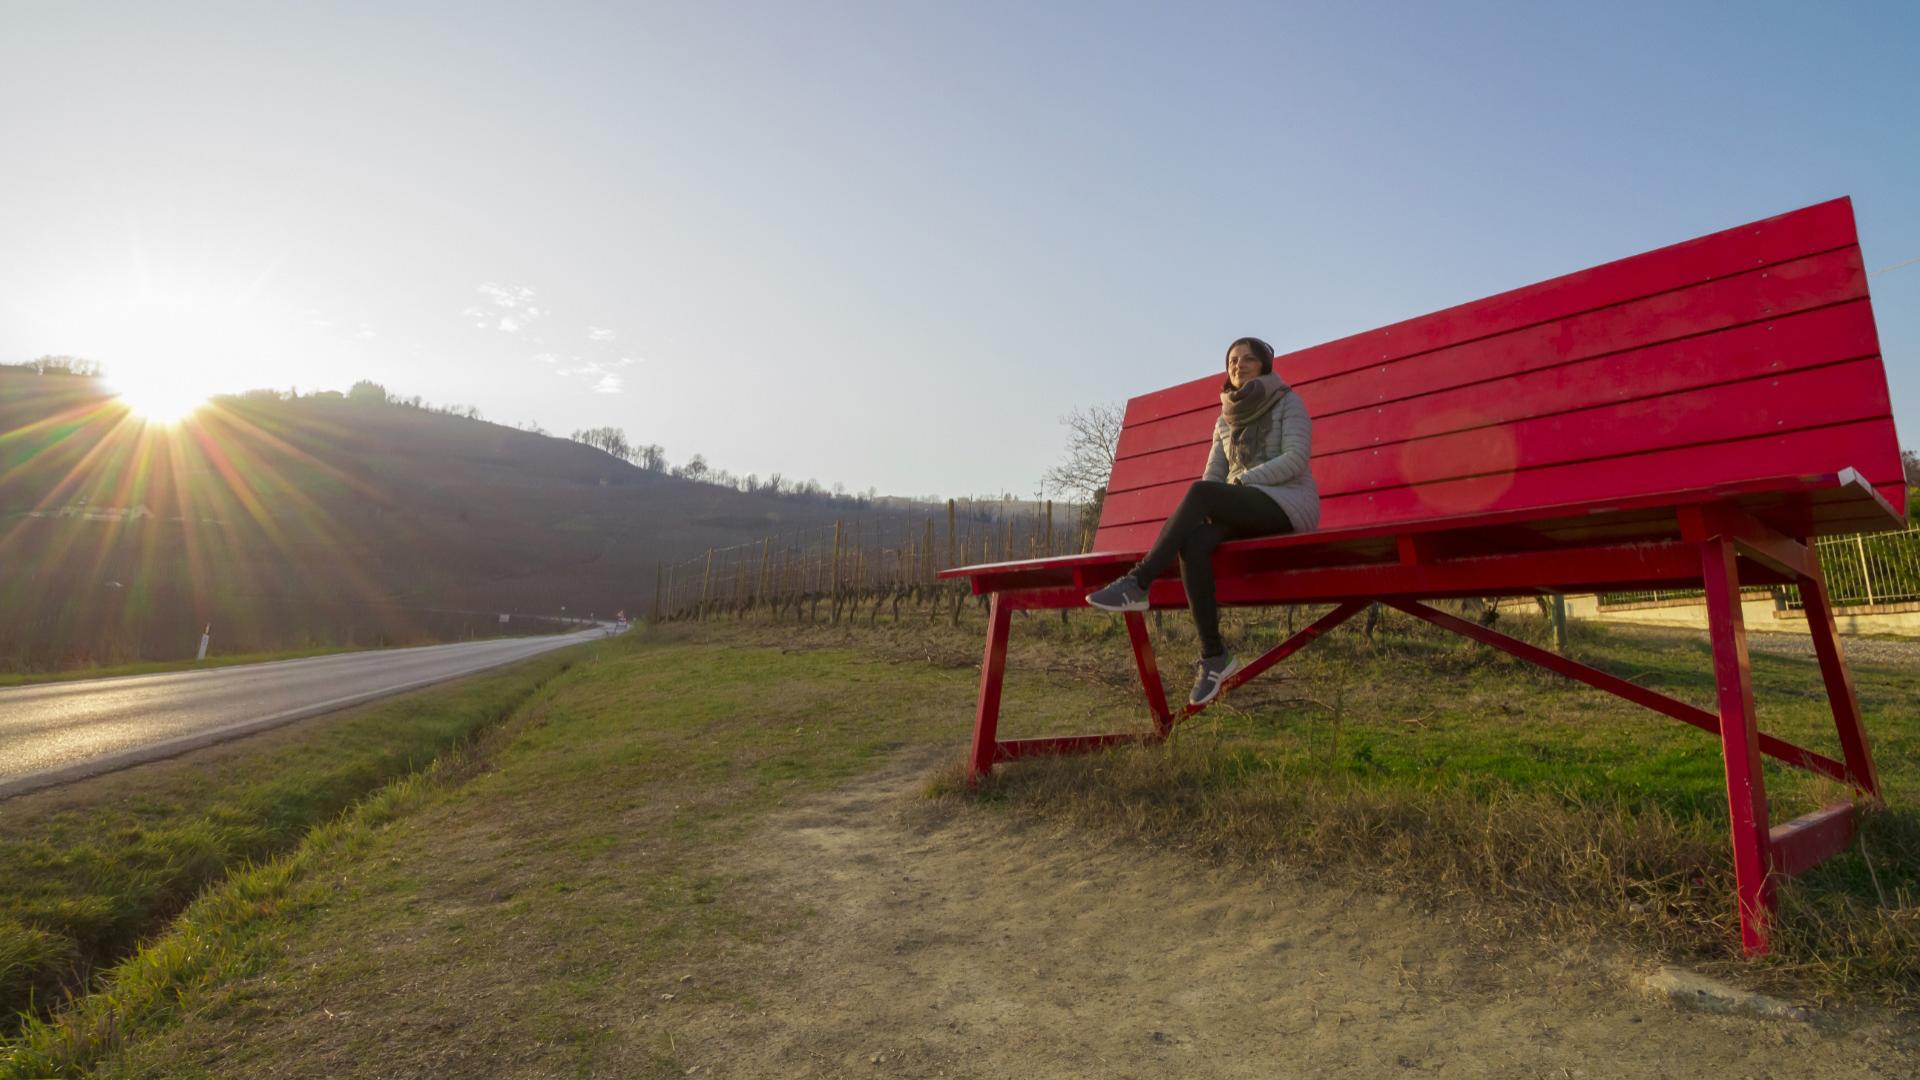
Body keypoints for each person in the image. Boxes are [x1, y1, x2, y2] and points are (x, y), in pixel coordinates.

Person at [1084, 336, 1320, 707]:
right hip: (1244, 505)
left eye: (1246, 359)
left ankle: (1139, 582)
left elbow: (1295, 459)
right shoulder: (1225, 419)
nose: (1237, 366)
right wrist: (1220, 497)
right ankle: (1214, 657)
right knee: (1194, 543)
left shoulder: (1287, 402)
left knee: (1200, 494)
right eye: (1231, 362)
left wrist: (1240, 483)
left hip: (1286, 506)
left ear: (1264, 365)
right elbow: (1214, 475)